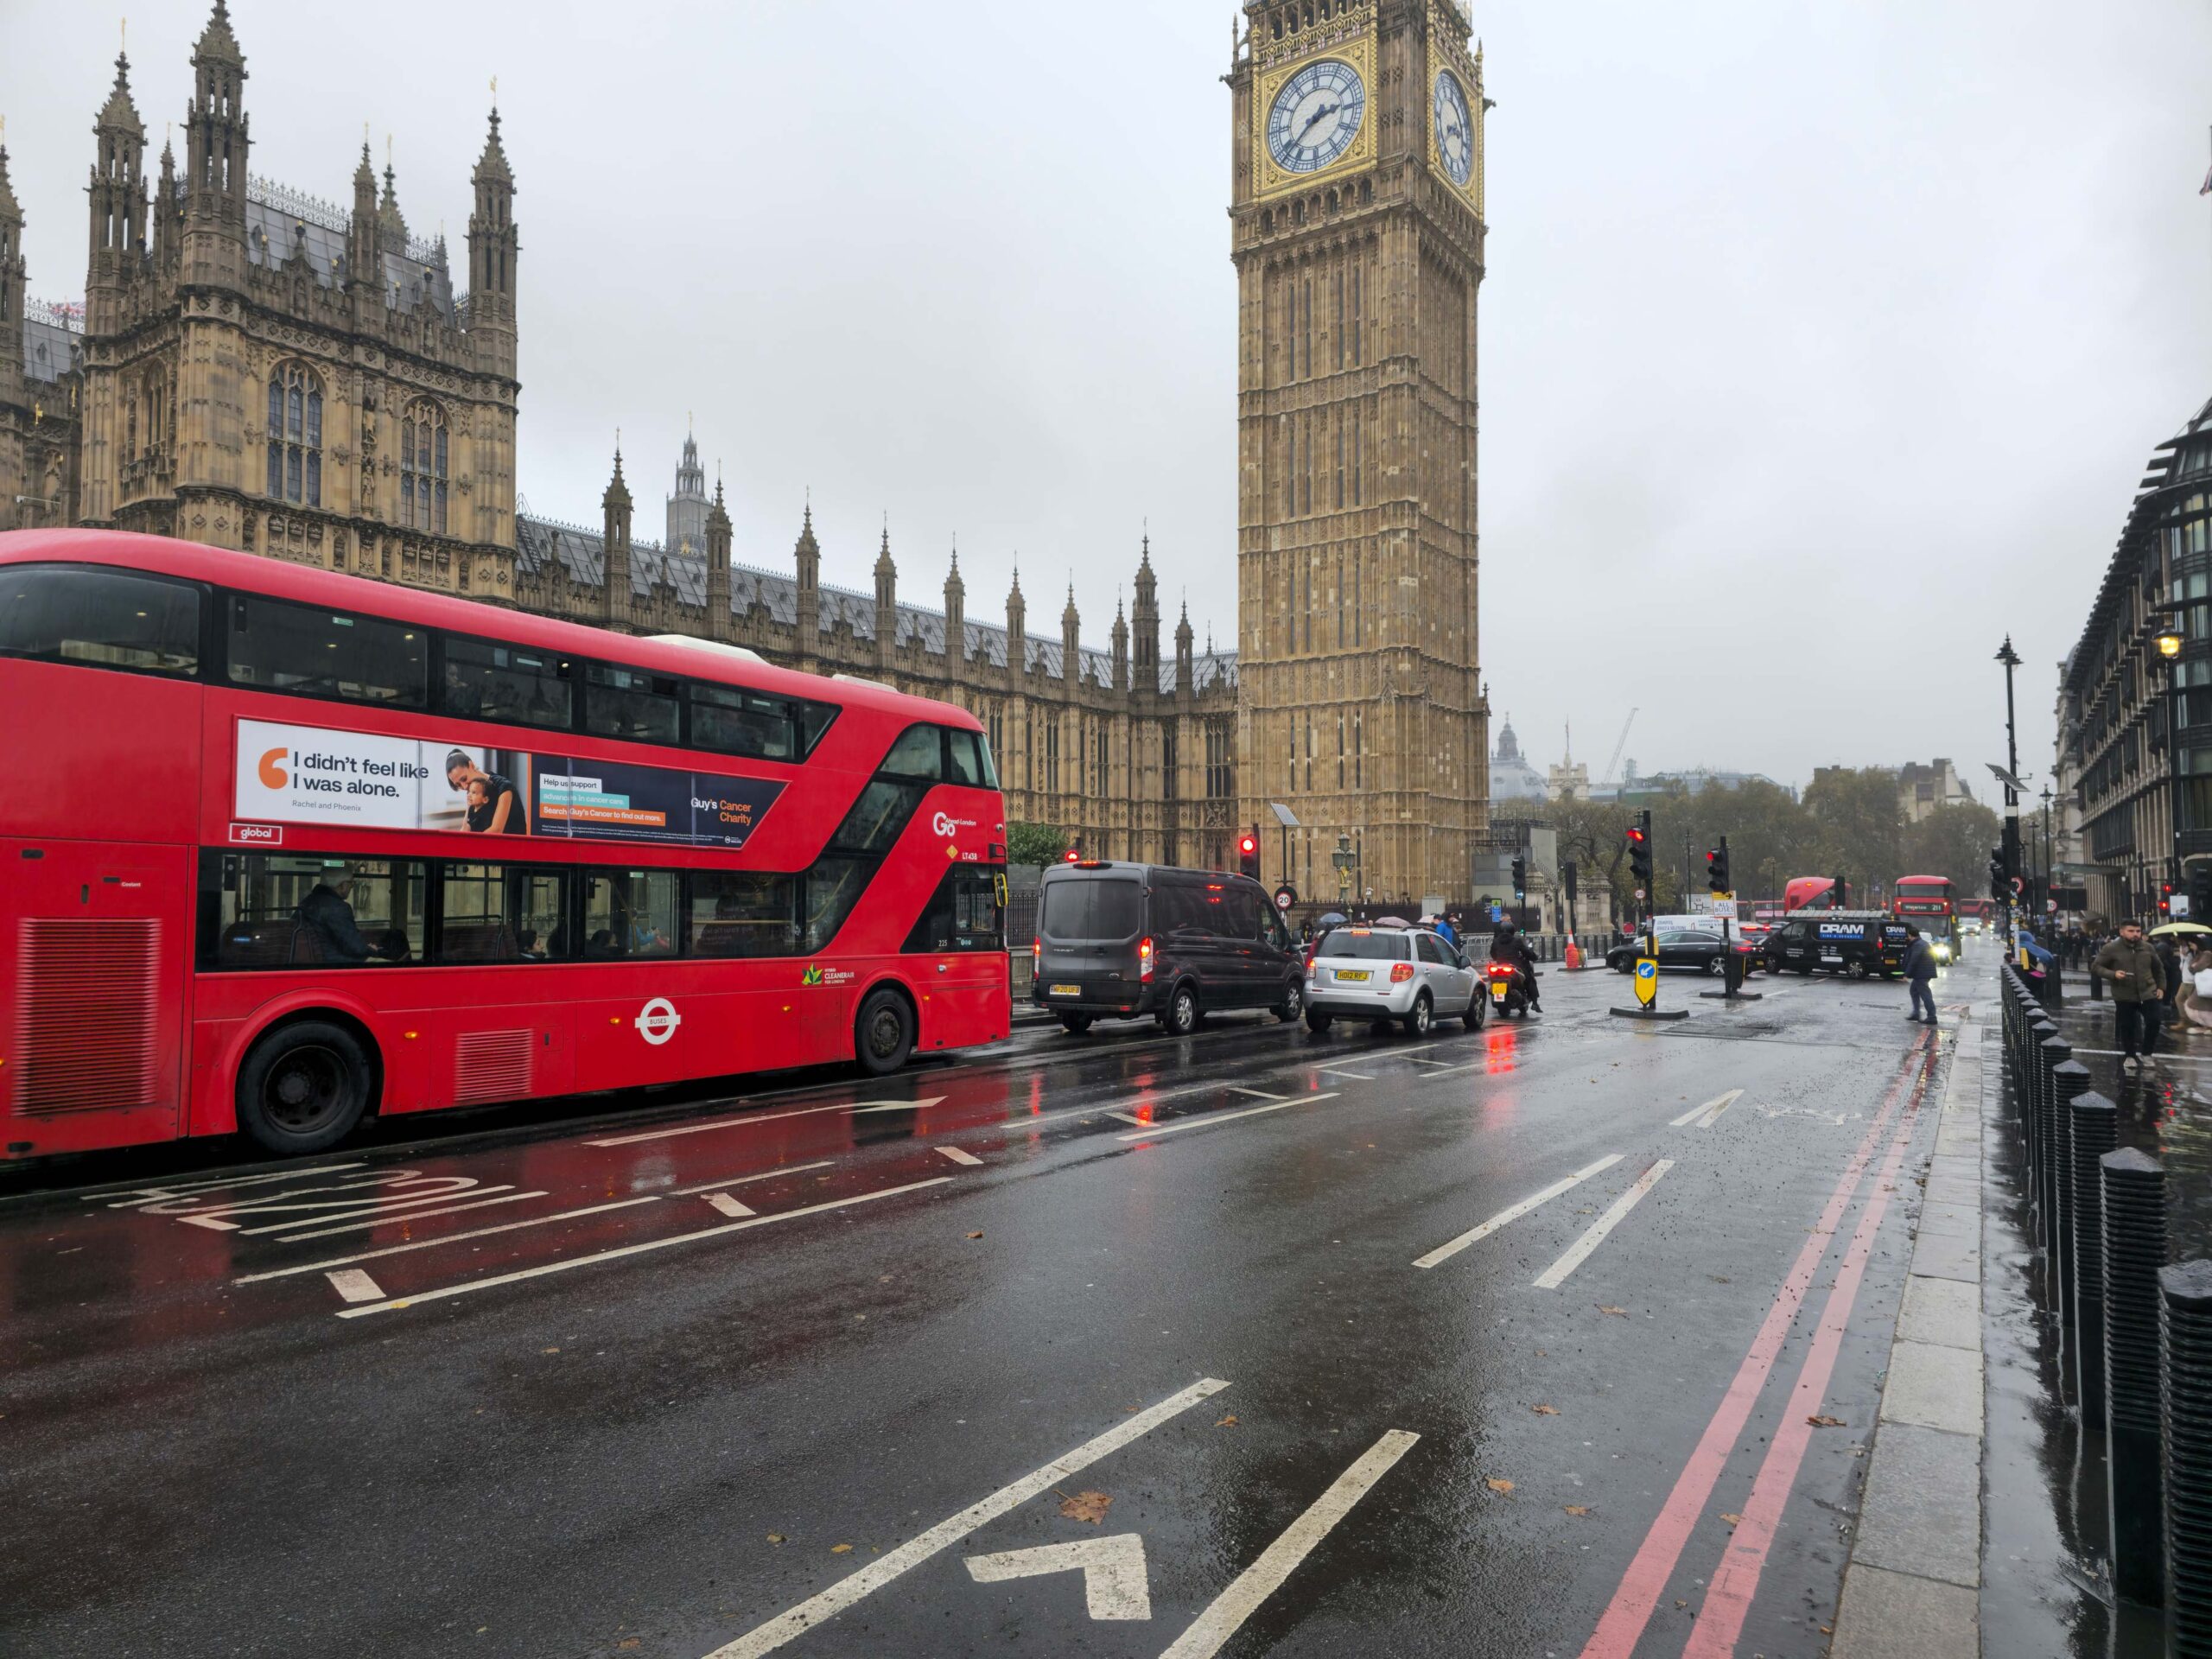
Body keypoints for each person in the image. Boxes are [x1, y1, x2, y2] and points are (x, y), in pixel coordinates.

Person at [2094, 921, 2167, 1070]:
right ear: (2122, 932)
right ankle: (2130, 1055)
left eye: (2138, 931)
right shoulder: (2111, 948)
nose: (2135, 934)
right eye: (2131, 931)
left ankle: (2146, 1053)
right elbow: (2096, 967)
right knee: (2127, 1026)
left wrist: (2161, 987)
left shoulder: (2147, 947)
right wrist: (2113, 974)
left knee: (2154, 1021)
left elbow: (2158, 968)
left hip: (2148, 992)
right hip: (2124, 994)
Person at [297, 867, 385, 964]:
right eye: (351, 883)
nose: (352, 886)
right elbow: (355, 947)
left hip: (320, 960)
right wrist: (372, 950)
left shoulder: (306, 902)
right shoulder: (338, 907)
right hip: (337, 962)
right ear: (343, 885)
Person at [447, 748, 527, 835]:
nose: (464, 786)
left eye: (464, 779)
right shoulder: (472, 791)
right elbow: (465, 829)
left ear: (471, 765)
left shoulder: (504, 788)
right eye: (458, 785)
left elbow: (496, 830)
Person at [1488, 922, 1542, 1013]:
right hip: (1515, 967)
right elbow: (1526, 952)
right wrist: (1534, 956)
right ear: (1512, 930)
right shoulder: (1516, 940)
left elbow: (1493, 954)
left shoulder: (1496, 941)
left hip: (1499, 966)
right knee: (1530, 979)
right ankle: (1535, 1003)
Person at [1902, 925, 1939, 1025]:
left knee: (1926, 995)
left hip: (1922, 973)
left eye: (1908, 936)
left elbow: (1914, 960)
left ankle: (1932, 1017)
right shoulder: (1922, 943)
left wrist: (1906, 974)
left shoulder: (1918, 945)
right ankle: (1916, 1013)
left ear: (1911, 936)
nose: (1907, 938)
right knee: (1914, 990)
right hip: (1924, 972)